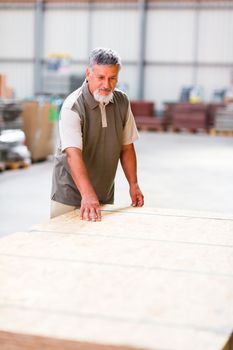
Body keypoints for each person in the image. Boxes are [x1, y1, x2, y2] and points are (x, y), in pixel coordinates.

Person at [51, 47, 144, 221]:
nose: (106, 85)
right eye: (101, 77)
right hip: (70, 195)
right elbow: (73, 156)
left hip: (104, 193)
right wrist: (87, 195)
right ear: (88, 73)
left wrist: (134, 184)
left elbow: (127, 147)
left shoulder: (122, 102)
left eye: (112, 78)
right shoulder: (73, 106)